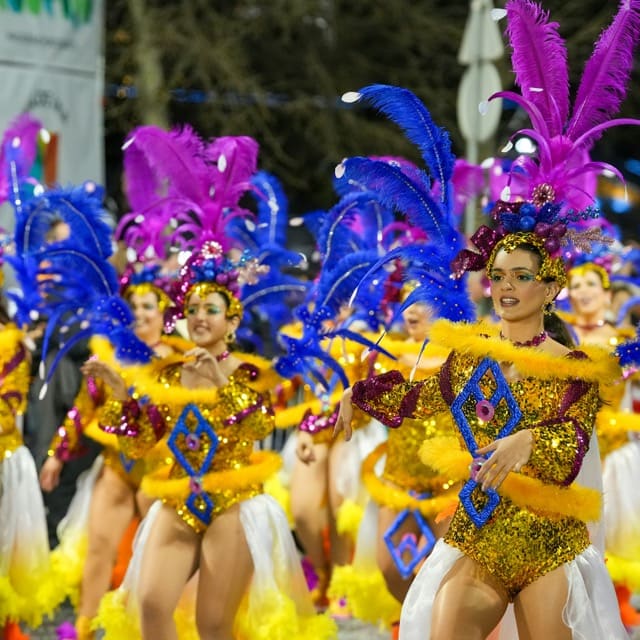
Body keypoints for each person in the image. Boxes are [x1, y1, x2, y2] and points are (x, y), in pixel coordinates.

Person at [335, 220, 626, 638]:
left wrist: (529, 441)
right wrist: (360, 393)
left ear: (548, 289)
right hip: (478, 535)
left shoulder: (572, 369)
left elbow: (573, 445)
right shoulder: (471, 358)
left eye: (521, 276)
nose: (506, 286)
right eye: (498, 276)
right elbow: (419, 398)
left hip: (549, 544)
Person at [90, 243, 336, 640]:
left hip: (234, 504)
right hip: (179, 499)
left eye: (210, 310)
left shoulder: (248, 373)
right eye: (192, 310)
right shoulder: (169, 376)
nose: (199, 317)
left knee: (214, 624)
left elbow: (259, 426)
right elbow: (140, 444)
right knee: (150, 606)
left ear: (232, 320)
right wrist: (121, 396)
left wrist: (221, 383)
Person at [39, 264, 183, 640]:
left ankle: (148, 629)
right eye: (132, 306)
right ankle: (85, 628)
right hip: (115, 467)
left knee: (154, 559)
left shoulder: (176, 363)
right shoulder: (110, 358)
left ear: (164, 311)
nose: (139, 313)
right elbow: (82, 408)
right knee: (99, 548)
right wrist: (57, 453)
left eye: (148, 306)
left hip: (159, 471)